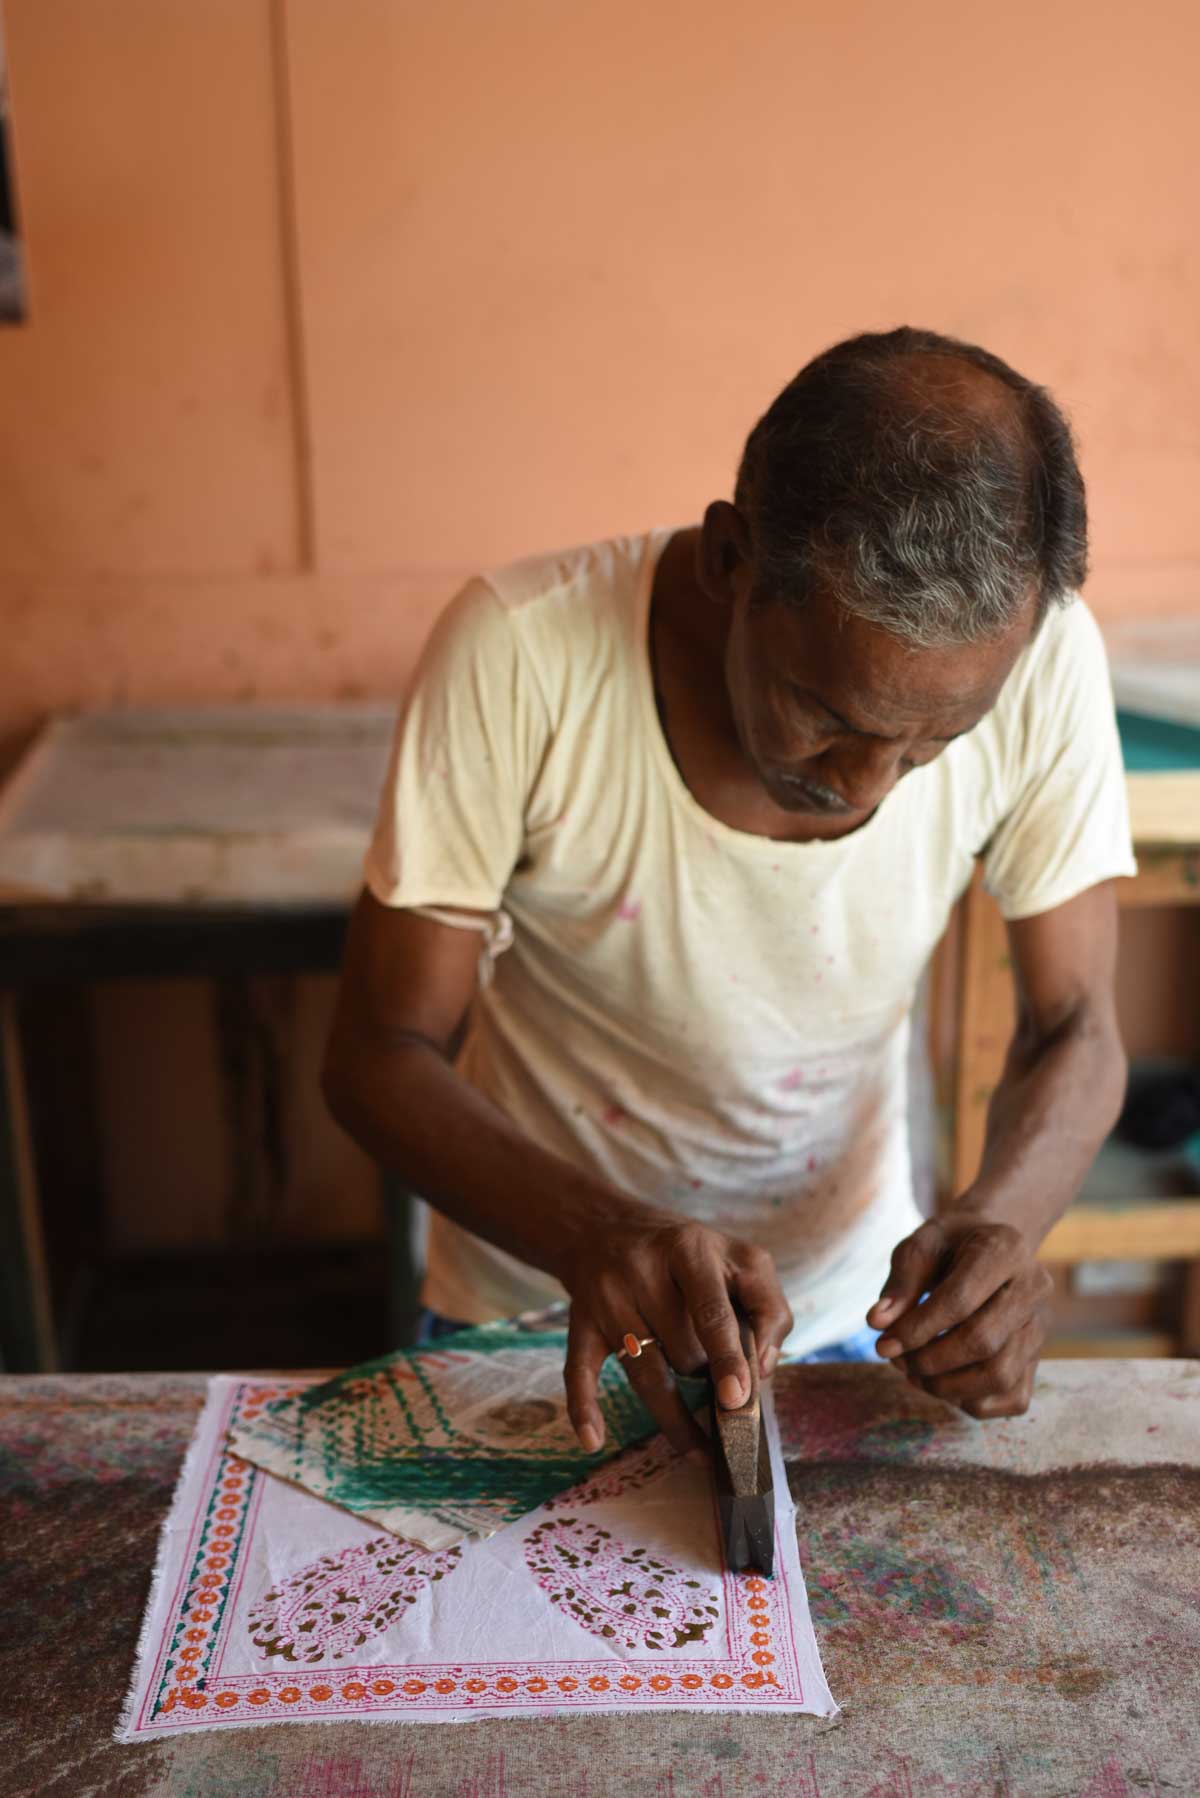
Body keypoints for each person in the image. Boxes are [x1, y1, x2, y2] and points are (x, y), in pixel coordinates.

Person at [323, 326, 1134, 1461]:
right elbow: (377, 1051)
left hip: (850, 1319)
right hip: (533, 1317)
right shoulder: (520, 654)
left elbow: (1078, 1025)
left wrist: (1003, 1223)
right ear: (728, 560)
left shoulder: (1043, 660)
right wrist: (599, 1234)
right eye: (828, 713)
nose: (863, 787)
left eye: (933, 744)